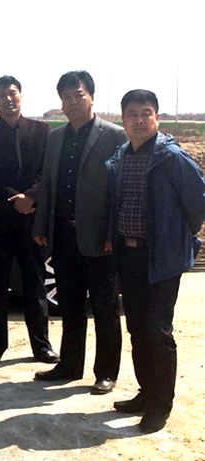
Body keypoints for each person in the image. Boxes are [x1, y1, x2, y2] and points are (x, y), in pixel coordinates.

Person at [106, 90, 205, 433]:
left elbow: (198, 203)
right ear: (123, 120)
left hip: (161, 257)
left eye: (146, 113)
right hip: (129, 255)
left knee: (158, 330)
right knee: (137, 327)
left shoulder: (171, 157)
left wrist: (177, 237)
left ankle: (161, 405)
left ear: (157, 118)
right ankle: (146, 393)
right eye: (132, 114)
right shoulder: (121, 156)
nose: (139, 120)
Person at [32, 70, 126, 395]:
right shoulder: (55, 138)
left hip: (101, 238)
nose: (72, 102)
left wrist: (113, 232)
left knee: (104, 307)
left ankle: (106, 372)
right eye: (67, 97)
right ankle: (70, 365)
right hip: (64, 235)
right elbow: (48, 184)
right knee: (70, 305)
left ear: (91, 97)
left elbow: (118, 191)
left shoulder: (114, 136)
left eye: (79, 95)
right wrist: (42, 226)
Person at [0, 76, 59, 366]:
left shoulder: (42, 131)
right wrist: (16, 199)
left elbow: (48, 171)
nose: (8, 99)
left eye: (12, 93)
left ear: (21, 96)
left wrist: (30, 197)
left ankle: (41, 346)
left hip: (32, 219)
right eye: (2, 95)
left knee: (35, 284)